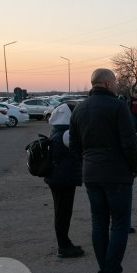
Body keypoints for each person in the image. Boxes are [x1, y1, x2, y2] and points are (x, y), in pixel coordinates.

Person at [70, 68, 137, 273]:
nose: (117, 85)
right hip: (117, 174)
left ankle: (104, 272)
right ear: (108, 83)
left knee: (99, 223)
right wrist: (133, 168)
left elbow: (74, 146)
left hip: (91, 173)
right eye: (115, 81)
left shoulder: (79, 109)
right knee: (120, 224)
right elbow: (129, 142)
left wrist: (85, 166)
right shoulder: (117, 106)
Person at [44, 103, 84, 258]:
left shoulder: (57, 129)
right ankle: (63, 246)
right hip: (63, 179)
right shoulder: (67, 133)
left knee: (61, 211)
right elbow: (79, 149)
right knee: (63, 212)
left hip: (57, 177)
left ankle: (65, 242)